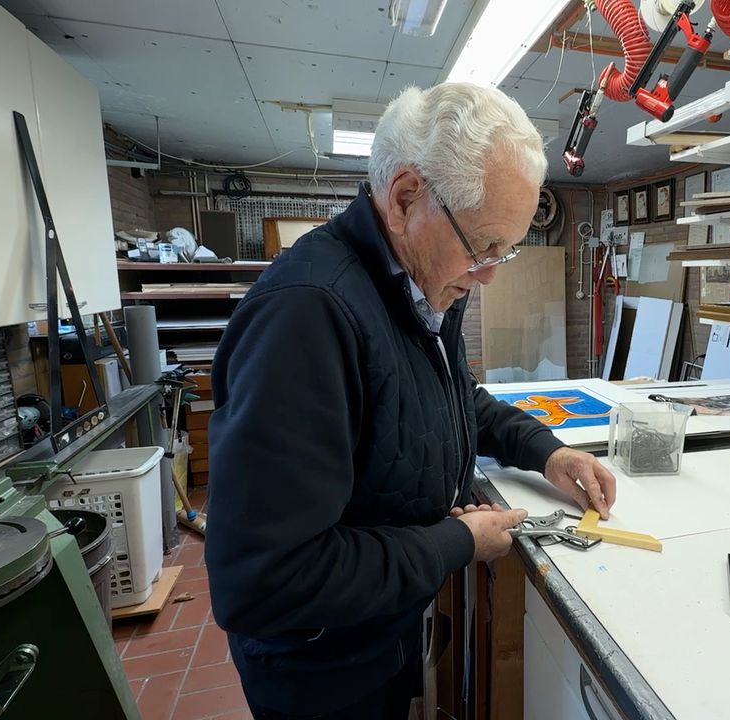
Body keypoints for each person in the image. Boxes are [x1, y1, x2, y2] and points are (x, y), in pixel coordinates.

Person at [206, 83, 618, 720]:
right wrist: (453, 545)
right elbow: (267, 583)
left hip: (378, 629)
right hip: (320, 669)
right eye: (483, 247)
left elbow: (454, 399)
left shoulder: (417, 283)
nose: (489, 273)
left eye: (504, 251)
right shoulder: (307, 317)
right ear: (405, 199)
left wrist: (546, 450)